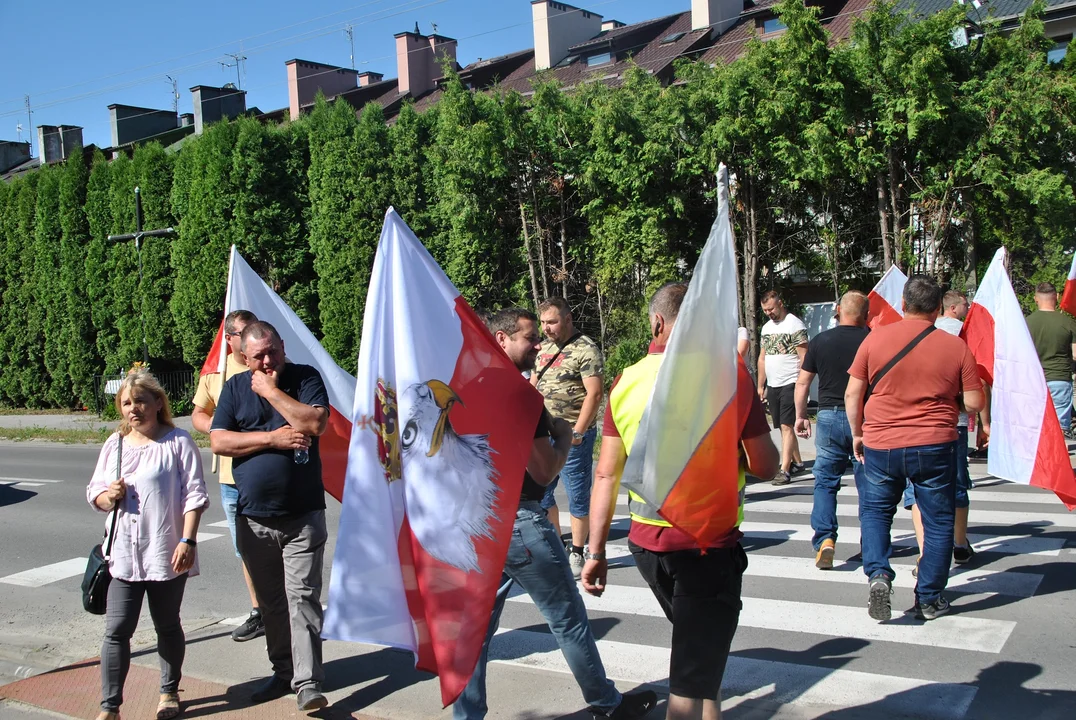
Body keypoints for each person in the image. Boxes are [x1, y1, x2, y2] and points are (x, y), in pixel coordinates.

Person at [582, 283, 779, 720]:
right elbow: (767, 465)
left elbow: (606, 474)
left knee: (702, 663)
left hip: (648, 547)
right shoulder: (728, 374)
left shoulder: (626, 379)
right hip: (707, 548)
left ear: (656, 322)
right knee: (689, 684)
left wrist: (594, 553)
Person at [454, 308, 656, 720]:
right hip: (520, 522)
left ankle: (467, 715)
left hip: (478, 522)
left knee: (473, 632)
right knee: (568, 620)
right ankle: (607, 705)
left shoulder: (467, 388)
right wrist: (566, 437)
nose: (538, 345)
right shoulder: (515, 393)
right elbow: (544, 471)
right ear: (500, 338)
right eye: (529, 338)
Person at [846, 275, 984, 622]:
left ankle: (878, 575)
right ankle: (929, 597)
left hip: (880, 441)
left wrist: (858, 433)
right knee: (938, 521)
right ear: (938, 310)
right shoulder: (956, 348)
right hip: (935, 443)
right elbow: (973, 401)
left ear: (903, 305)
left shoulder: (874, 340)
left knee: (876, 513)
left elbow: (852, 394)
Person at [210, 321, 331, 712]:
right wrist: (271, 438)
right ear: (244, 358)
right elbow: (219, 440)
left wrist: (272, 392)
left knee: (303, 600)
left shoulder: (304, 377)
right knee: (273, 604)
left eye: (272, 351)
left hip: (302, 516)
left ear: (282, 346)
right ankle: (283, 673)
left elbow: (315, 423)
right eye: (258, 356)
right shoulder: (233, 388)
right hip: (253, 519)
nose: (267, 360)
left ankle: (308, 683)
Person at [87, 369, 209, 720]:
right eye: (126, 403)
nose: (133, 409)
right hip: (124, 553)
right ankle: (110, 707)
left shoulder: (178, 442)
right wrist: (108, 497)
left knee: (167, 624)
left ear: (158, 402)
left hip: (166, 551)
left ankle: (168, 693)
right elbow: (94, 491)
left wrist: (188, 539)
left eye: (140, 400)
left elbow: (195, 497)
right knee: (116, 630)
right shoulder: (115, 444)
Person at [190, 309, 264, 643]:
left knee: (279, 545)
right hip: (231, 478)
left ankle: (284, 608)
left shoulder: (264, 364)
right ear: (229, 337)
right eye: (240, 333)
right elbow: (198, 413)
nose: (247, 338)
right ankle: (258, 611)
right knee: (245, 549)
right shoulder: (215, 372)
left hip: (265, 472)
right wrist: (216, 428)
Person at [902, 290, 986, 577]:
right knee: (957, 484)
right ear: (943, 306)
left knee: (917, 488)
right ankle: (959, 544)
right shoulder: (963, 335)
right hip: (953, 423)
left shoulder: (906, 336)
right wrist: (984, 422)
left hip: (911, 423)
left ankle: (925, 553)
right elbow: (977, 391)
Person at [794, 291, 870, 570]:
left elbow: (802, 383)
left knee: (826, 482)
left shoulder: (821, 340)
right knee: (869, 486)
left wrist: (801, 415)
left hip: (827, 416)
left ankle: (825, 540)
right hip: (864, 418)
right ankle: (870, 543)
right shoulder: (872, 340)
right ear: (867, 314)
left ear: (838, 311)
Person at [532, 296, 604, 578]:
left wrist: (578, 432)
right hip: (543, 434)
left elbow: (595, 394)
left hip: (573, 435)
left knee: (576, 494)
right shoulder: (543, 348)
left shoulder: (586, 349)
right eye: (543, 323)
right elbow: (533, 384)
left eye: (552, 322)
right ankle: (557, 544)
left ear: (568, 319)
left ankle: (577, 550)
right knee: (542, 493)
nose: (546, 328)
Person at [758, 290, 809, 485]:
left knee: (787, 426)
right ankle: (797, 462)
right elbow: (763, 358)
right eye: (765, 310)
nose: (769, 313)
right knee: (781, 427)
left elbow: (805, 356)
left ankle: (785, 469)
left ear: (780, 303)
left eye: (771, 308)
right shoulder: (766, 328)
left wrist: (803, 383)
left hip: (791, 382)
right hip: (773, 383)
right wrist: (761, 385)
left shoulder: (794, 325)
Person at [1025, 282, 1076, 437]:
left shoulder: (1026, 322)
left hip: (1033, 379)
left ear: (1036, 299)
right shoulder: (1069, 322)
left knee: (1037, 426)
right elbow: (1075, 354)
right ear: (1057, 297)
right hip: (1060, 377)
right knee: (1060, 430)